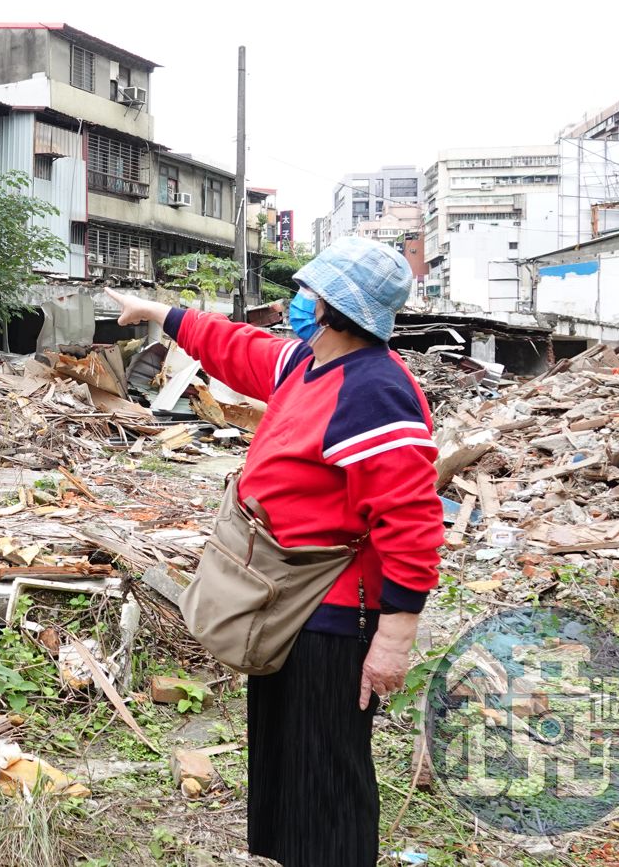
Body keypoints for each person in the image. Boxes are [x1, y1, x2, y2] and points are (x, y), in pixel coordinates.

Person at [107, 237, 443, 867]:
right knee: (285, 765)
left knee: (324, 775)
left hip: (332, 612)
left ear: (335, 308)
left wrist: (396, 637)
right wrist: (157, 312)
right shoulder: (308, 362)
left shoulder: (374, 390)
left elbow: (411, 518)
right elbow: (239, 348)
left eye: (308, 292)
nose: (298, 301)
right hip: (282, 597)